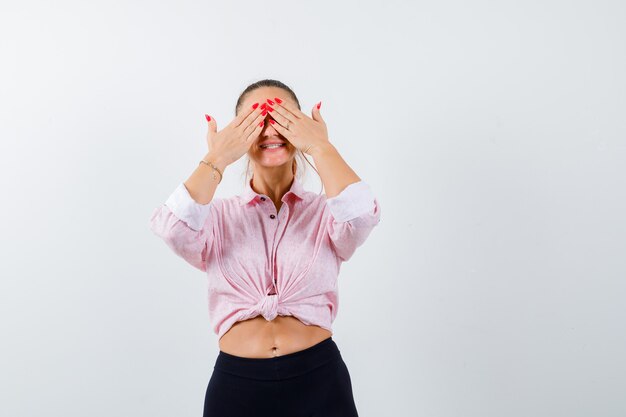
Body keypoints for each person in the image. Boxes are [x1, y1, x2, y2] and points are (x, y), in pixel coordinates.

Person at [149, 79, 381, 417]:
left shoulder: (326, 212)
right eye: (257, 122)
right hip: (237, 386)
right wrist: (217, 157)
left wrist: (320, 148)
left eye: (283, 117)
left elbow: (362, 216)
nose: (271, 130)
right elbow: (171, 229)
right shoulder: (216, 216)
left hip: (320, 382)